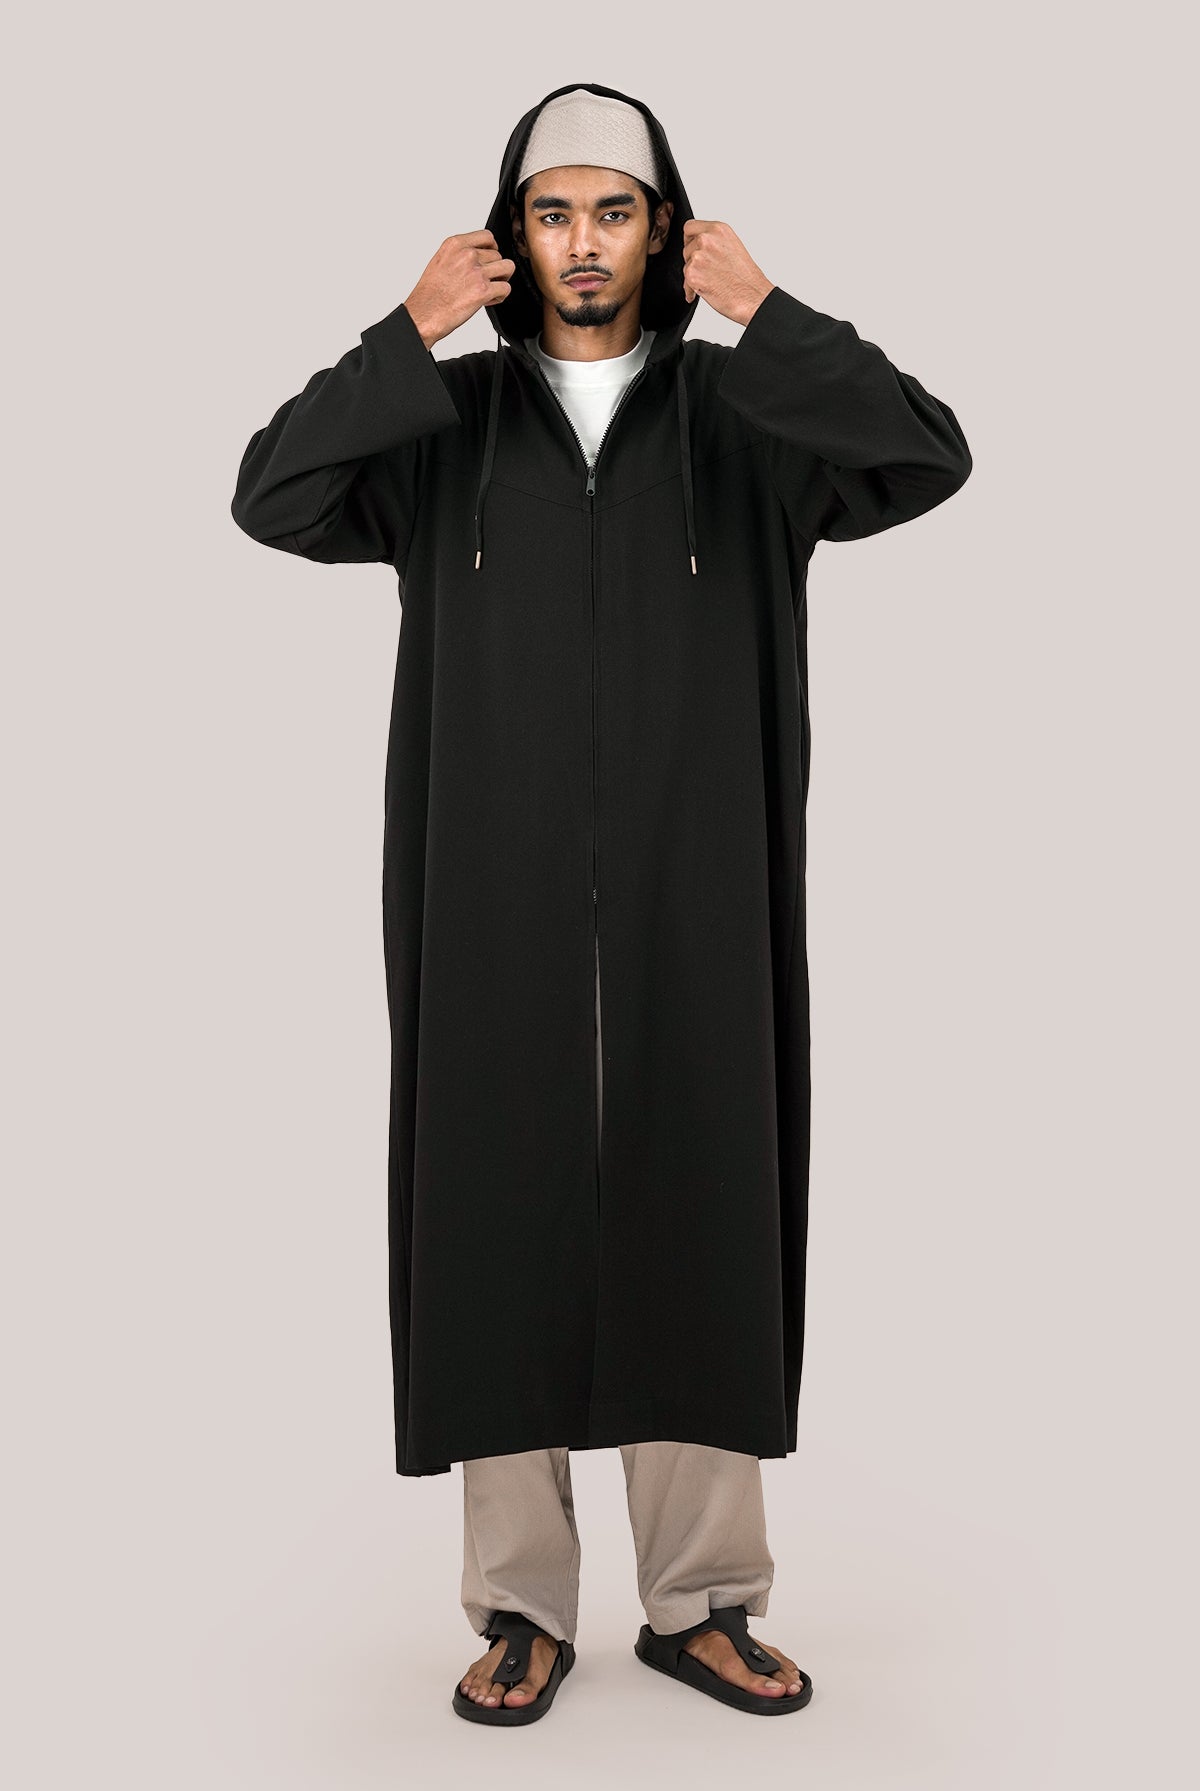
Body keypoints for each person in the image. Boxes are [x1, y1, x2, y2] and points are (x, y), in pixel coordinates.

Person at [231, 82, 971, 1724]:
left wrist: (772, 314)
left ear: (664, 229)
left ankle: (702, 1600)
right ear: (513, 235)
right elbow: (272, 493)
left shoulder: (748, 422)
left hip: (698, 893)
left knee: (700, 1193)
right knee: (494, 1206)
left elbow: (928, 454)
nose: (583, 242)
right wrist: (405, 333)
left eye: (614, 212)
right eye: (554, 213)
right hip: (487, 896)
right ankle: (518, 1608)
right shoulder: (444, 428)